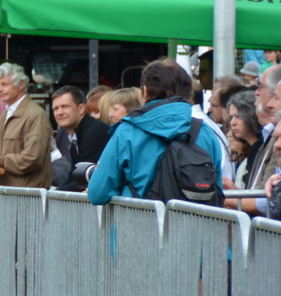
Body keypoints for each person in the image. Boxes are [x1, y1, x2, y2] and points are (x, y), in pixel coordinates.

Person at [88, 59, 224, 203]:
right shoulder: (205, 132)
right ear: (187, 94)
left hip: (137, 223)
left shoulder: (127, 131)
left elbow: (98, 193)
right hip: (194, 224)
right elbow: (217, 190)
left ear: (145, 91)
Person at [0, 63, 50, 188]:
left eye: (5, 84)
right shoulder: (5, 114)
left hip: (27, 194)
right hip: (10, 190)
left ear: (21, 84)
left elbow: (32, 159)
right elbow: (10, 152)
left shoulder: (35, 115)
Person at [49, 86, 111, 190]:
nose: (59, 112)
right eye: (56, 108)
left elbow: (84, 177)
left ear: (81, 108)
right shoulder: (77, 134)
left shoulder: (94, 132)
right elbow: (74, 175)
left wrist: (52, 197)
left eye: (65, 106)